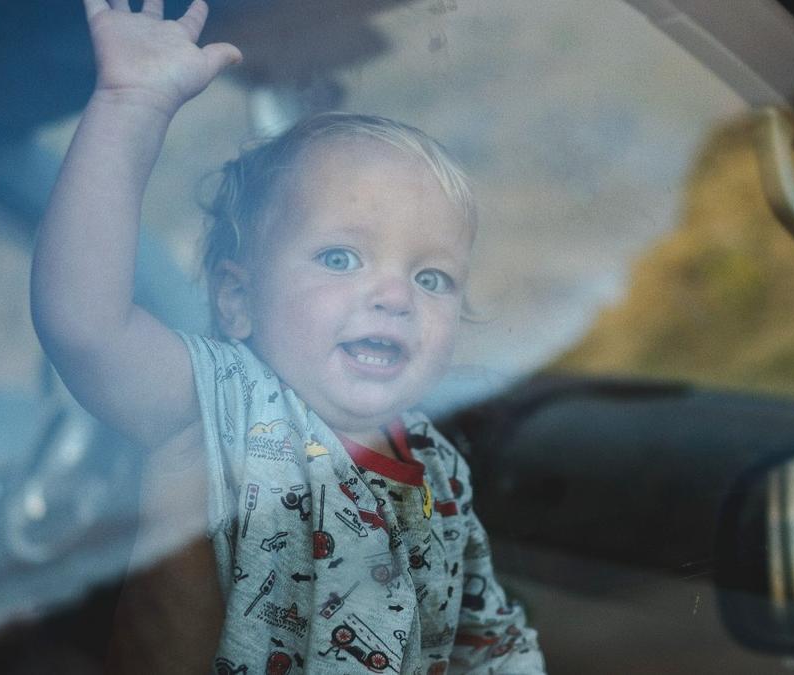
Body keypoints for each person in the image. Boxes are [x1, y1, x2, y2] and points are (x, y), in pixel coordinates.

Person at [31, 0, 546, 671]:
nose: (394, 295)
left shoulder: (437, 466)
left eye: (431, 277)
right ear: (239, 300)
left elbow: (489, 638)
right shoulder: (224, 405)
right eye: (340, 258)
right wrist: (130, 107)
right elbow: (85, 325)